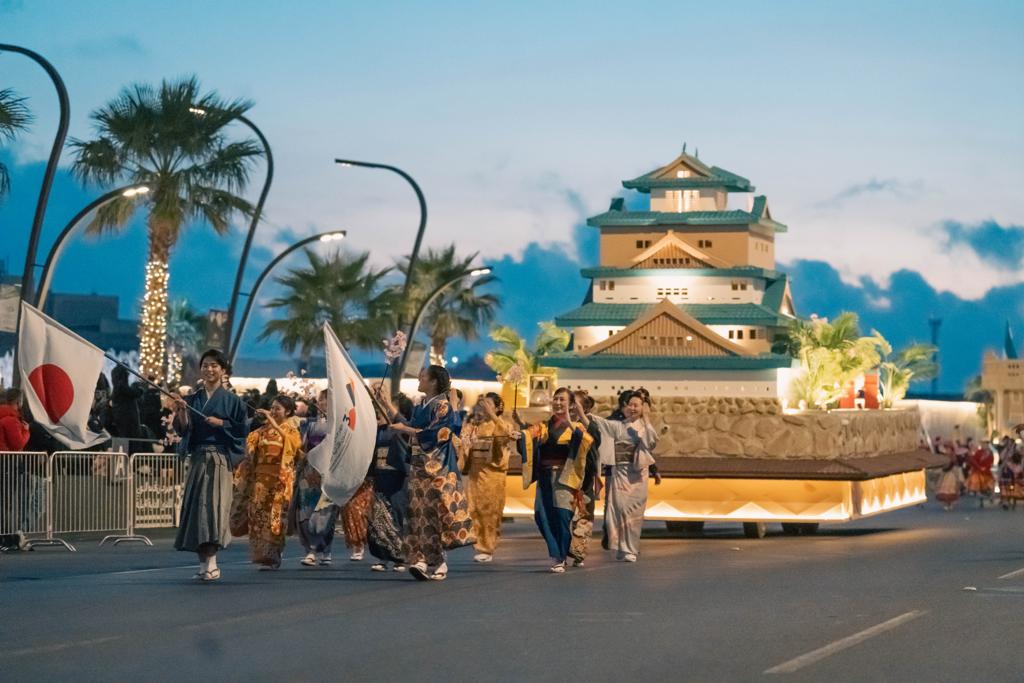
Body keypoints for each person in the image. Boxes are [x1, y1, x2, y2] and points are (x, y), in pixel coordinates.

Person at [382, 365, 473, 581]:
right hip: (418, 468)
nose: (419, 380)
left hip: (437, 469)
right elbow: (411, 426)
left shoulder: (443, 406)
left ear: (433, 382)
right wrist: (386, 402)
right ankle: (420, 559)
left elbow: (435, 435)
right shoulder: (421, 405)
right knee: (416, 514)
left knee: (435, 514)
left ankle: (440, 560)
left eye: (423, 377)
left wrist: (404, 429)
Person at [172, 349, 249, 582]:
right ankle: (202, 564)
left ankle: (213, 563)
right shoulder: (193, 400)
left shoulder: (233, 401)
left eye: (214, 365)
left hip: (219, 459)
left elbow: (241, 432)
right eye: (205, 365)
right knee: (197, 511)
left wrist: (222, 423)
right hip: (198, 459)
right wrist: (182, 411)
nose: (209, 369)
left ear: (223, 370)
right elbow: (183, 430)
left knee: (214, 509)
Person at [516, 388, 594, 573]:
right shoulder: (544, 425)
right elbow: (530, 435)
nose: (558, 403)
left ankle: (559, 557)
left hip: (565, 477)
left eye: (562, 400)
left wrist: (569, 423)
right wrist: (521, 435)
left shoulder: (578, 427)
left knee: (561, 515)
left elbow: (587, 442)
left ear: (570, 404)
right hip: (545, 476)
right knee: (541, 515)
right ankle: (560, 550)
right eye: (556, 399)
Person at [582, 390, 658, 562]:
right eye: (630, 405)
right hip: (619, 473)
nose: (632, 408)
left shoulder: (645, 427)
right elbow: (597, 423)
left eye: (636, 405)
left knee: (634, 512)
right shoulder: (618, 426)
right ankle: (621, 546)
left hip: (638, 475)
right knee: (618, 510)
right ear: (624, 407)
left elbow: (651, 442)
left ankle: (631, 549)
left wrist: (646, 419)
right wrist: (582, 409)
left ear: (642, 408)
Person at [231, 395, 302, 569]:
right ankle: (261, 555)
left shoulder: (291, 431)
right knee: (257, 517)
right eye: (272, 408)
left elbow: (293, 447)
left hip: (279, 481)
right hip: (260, 481)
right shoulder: (261, 431)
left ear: (288, 412)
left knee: (275, 518)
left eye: (278, 408)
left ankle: (274, 554)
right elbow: (249, 449)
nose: (273, 411)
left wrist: (276, 425)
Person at [460, 392, 516, 563]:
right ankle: (479, 543)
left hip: (493, 475)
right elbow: (463, 443)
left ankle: (488, 547)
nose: (483, 407)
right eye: (482, 404)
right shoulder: (476, 426)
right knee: (474, 510)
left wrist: (492, 415)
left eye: (489, 405)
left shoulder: (502, 424)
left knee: (490, 513)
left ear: (498, 408)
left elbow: (505, 435)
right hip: (476, 475)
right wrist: (464, 437)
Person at [290, 389, 340, 567]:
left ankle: (326, 549)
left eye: (326, 400)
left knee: (326, 513)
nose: (322, 403)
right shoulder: (309, 424)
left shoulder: (339, 425)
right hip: (310, 472)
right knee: (306, 512)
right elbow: (302, 446)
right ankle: (310, 551)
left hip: (328, 472)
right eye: (321, 400)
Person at [567, 391, 603, 567]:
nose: (572, 407)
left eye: (575, 404)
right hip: (565, 477)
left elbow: (596, 438)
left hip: (585, 478)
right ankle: (561, 551)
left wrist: (581, 415)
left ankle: (578, 552)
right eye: (570, 403)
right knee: (564, 515)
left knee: (583, 516)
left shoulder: (590, 424)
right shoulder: (562, 423)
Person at [936, 447, 964, 511]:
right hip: (946, 474)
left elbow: (955, 464)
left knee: (951, 490)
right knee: (944, 490)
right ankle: (946, 503)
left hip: (952, 474)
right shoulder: (945, 456)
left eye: (949, 449)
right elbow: (944, 466)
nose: (948, 451)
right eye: (947, 449)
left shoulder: (953, 457)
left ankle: (950, 503)